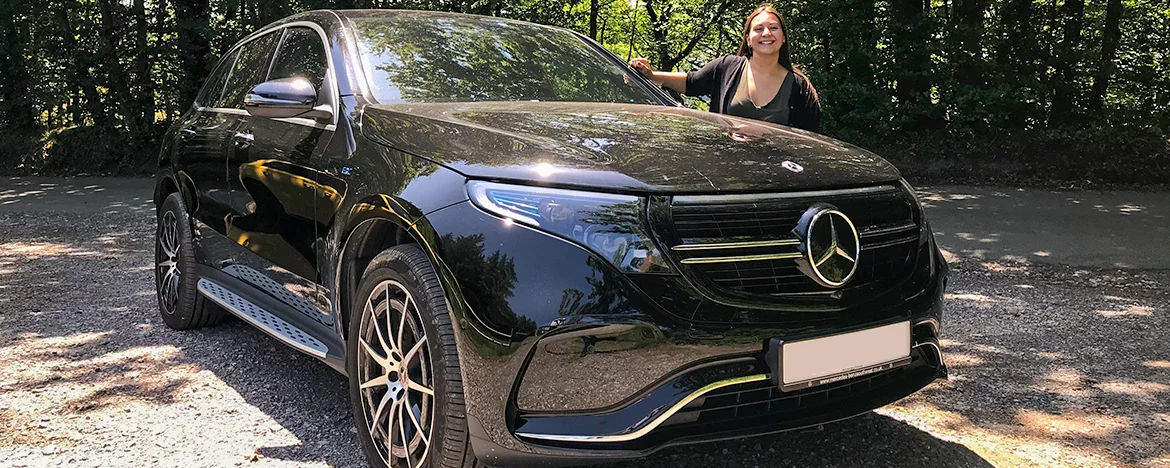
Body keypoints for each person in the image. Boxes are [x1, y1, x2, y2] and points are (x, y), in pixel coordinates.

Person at [629, 4, 821, 132]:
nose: (766, 33)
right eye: (758, 28)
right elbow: (691, 82)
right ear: (748, 39)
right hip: (726, 171)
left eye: (773, 28)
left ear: (783, 37)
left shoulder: (800, 88)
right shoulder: (726, 67)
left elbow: (809, 141)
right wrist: (650, 75)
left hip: (775, 179)